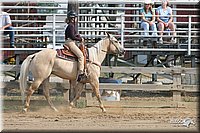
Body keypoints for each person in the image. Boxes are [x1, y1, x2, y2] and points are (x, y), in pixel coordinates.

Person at [65, 10, 85, 82]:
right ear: (73, 18)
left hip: (69, 42)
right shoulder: (71, 26)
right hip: (70, 42)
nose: (76, 19)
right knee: (81, 56)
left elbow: (74, 34)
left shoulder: (71, 26)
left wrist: (78, 36)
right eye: (75, 17)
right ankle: (80, 73)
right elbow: (73, 37)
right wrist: (80, 39)